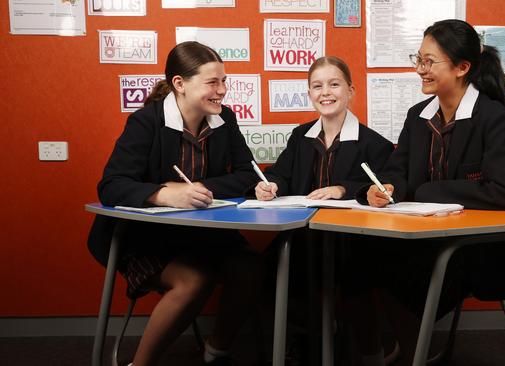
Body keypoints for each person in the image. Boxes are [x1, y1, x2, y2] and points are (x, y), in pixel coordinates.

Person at [347, 19, 505, 366]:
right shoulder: (418, 116)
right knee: (357, 263)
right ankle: (404, 354)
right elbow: (397, 170)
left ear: (462, 68)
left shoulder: (491, 117)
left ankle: (416, 352)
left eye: (429, 62)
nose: (420, 69)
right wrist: (384, 188)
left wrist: (429, 191)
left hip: (475, 250)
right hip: (424, 240)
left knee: (391, 272)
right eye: (419, 58)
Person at [87, 41, 262, 366]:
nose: (222, 90)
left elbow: (247, 175)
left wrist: (197, 188)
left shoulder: (225, 120)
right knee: (194, 280)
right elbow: (111, 185)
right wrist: (164, 194)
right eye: (213, 82)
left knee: (252, 268)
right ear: (180, 84)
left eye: (224, 81)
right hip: (145, 239)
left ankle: (216, 349)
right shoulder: (146, 121)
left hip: (204, 235)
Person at [253, 56, 394, 364]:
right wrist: (270, 185)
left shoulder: (376, 144)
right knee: (266, 270)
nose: (325, 92)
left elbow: (384, 188)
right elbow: (281, 173)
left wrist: (343, 189)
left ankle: (372, 352)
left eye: (334, 84)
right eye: (317, 86)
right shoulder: (300, 136)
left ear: (351, 90)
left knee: (357, 280)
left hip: (353, 240)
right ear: (309, 93)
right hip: (303, 237)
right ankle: (295, 343)